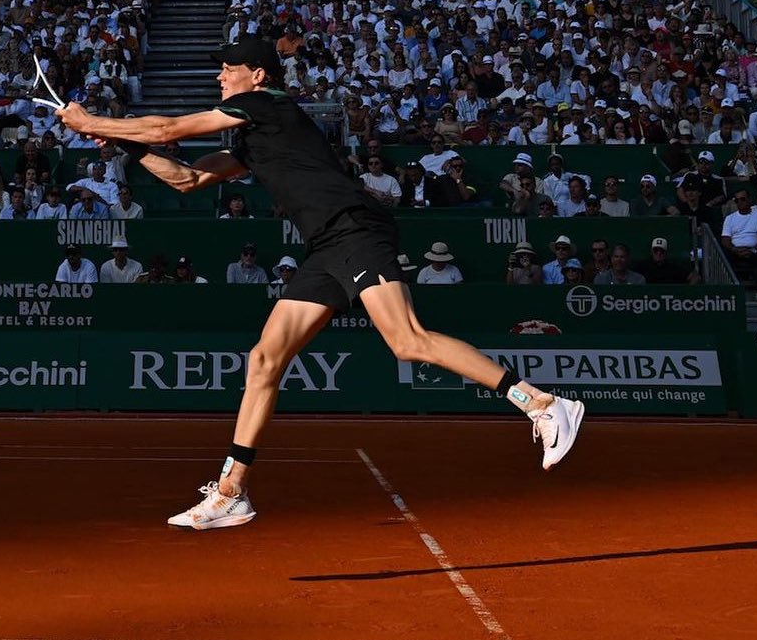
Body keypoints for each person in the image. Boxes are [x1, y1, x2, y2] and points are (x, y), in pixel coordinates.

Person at [57, 34, 584, 530]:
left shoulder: (269, 104)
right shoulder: (254, 136)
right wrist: (113, 138)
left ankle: (539, 402)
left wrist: (92, 121)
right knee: (264, 360)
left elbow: (165, 131)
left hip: (355, 228)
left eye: (227, 71)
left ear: (256, 75)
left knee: (406, 341)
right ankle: (232, 490)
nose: (219, 78)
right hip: (324, 248)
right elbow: (187, 178)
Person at [721, 187, 757, 303]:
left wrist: (753, 250)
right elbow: (725, 239)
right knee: (722, 257)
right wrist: (733, 249)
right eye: (737, 200)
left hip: (753, 249)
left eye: (743, 199)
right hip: (734, 249)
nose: (739, 202)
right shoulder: (730, 218)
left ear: (749, 200)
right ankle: (727, 292)